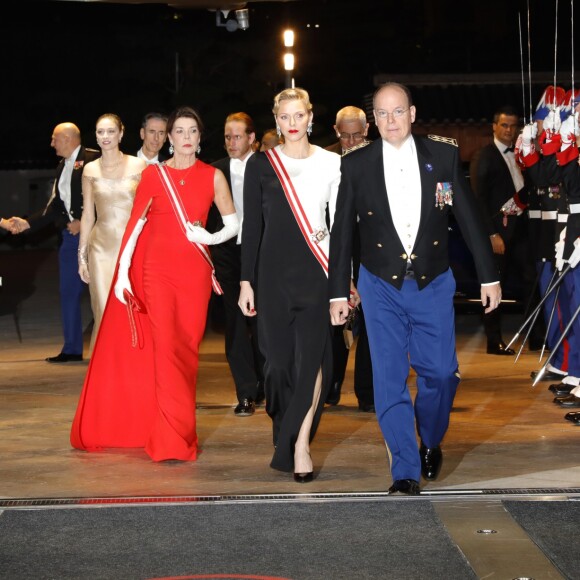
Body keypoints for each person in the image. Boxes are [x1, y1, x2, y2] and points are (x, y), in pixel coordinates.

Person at [329, 82, 500, 495]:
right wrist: (338, 290)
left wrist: (488, 275)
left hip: (432, 282)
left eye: (398, 111)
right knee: (388, 379)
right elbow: (342, 233)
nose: (391, 121)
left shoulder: (441, 155)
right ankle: (404, 469)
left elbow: (468, 218)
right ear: (374, 121)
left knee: (440, 374)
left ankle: (432, 437)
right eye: (383, 114)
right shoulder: (356, 164)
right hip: (380, 285)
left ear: (413, 113)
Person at [70, 106, 239, 461]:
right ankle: (170, 438)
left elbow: (233, 224)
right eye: (179, 131)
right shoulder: (152, 175)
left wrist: (207, 237)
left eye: (193, 131)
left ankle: (175, 429)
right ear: (170, 137)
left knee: (186, 350)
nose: (186, 138)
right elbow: (134, 227)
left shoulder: (213, 176)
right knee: (164, 350)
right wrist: (123, 275)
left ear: (199, 136)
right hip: (155, 272)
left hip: (193, 273)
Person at [239, 87, 341, 482]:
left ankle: (300, 445)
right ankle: (286, 423)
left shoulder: (332, 163)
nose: (293, 124)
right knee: (278, 366)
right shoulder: (261, 165)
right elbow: (252, 227)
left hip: (317, 273)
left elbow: (339, 226)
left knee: (310, 361)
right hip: (271, 277)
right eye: (285, 117)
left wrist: (342, 279)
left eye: (299, 116)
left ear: (311, 116)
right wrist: (246, 282)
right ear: (276, 120)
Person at [7, 123, 100, 362]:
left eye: (54, 139)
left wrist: (86, 221)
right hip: (70, 238)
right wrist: (26, 223)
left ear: (67, 138)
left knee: (102, 294)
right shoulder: (61, 166)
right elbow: (55, 205)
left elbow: (111, 197)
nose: (51, 144)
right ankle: (72, 349)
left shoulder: (95, 159)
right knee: (67, 292)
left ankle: (111, 349)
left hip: (99, 236)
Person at [470, 105, 541, 355]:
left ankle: (536, 337)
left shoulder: (521, 154)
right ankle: (493, 340)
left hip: (522, 229)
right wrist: (491, 234)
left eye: (513, 126)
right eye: (504, 125)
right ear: (494, 127)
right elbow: (477, 200)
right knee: (494, 285)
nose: (509, 130)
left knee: (533, 281)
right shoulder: (484, 155)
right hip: (498, 233)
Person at [208, 112, 265, 416]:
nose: (232, 142)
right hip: (228, 254)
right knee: (235, 324)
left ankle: (267, 385)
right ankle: (245, 392)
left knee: (263, 322)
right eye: (228, 136)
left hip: (262, 254)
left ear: (252, 138)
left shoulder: (268, 167)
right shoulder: (215, 170)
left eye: (238, 136)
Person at [78, 113, 147, 355]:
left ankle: (134, 368)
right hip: (101, 250)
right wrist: (82, 257)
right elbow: (88, 215)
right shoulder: (89, 169)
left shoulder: (140, 166)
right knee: (104, 308)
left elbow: (149, 212)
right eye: (100, 132)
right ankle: (104, 372)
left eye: (110, 131)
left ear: (121, 133)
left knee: (132, 307)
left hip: (134, 247)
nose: (105, 137)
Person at [324, 106, 375, 412]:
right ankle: (330, 387)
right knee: (335, 323)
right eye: (346, 136)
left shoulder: (380, 156)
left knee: (370, 327)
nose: (352, 141)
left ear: (367, 129)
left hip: (370, 250)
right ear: (336, 131)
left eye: (357, 134)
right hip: (335, 248)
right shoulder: (326, 160)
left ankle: (367, 394)